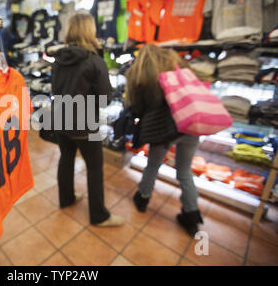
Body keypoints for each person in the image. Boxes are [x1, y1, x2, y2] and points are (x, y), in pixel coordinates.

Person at [51, 13, 124, 227]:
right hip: (85, 123)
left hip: (60, 118)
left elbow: (55, 89)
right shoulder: (94, 61)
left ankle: (66, 199)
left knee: (66, 158)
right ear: (90, 31)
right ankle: (99, 216)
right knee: (94, 167)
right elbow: (105, 100)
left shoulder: (58, 59)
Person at [125, 44, 204, 236]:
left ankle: (142, 199)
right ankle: (191, 216)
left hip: (163, 130)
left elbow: (136, 109)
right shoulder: (179, 67)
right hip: (190, 125)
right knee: (185, 172)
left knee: (153, 166)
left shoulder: (144, 77)